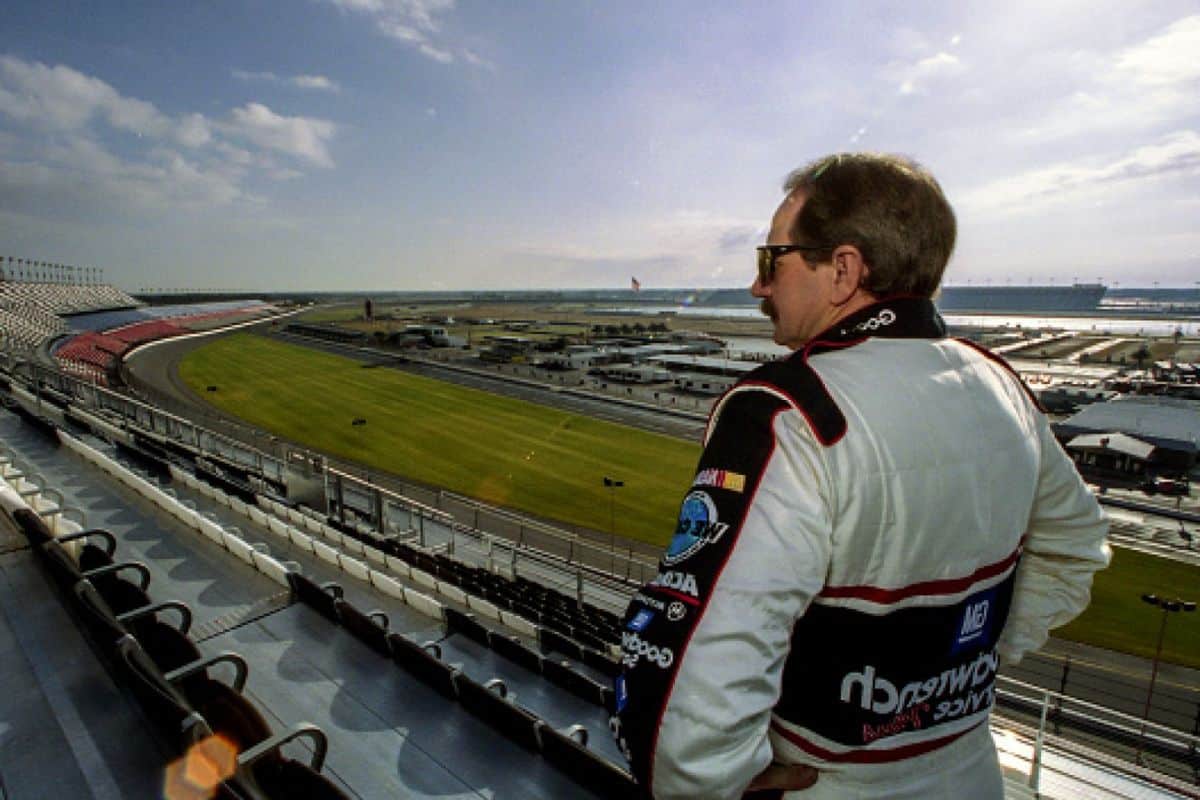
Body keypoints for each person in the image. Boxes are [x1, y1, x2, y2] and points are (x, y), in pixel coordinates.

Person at [610, 153, 1111, 800]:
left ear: (843, 270)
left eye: (772, 261)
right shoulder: (1001, 383)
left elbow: (699, 678)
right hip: (970, 775)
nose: (759, 287)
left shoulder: (787, 411)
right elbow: (1075, 552)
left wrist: (703, 783)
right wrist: (942, 677)